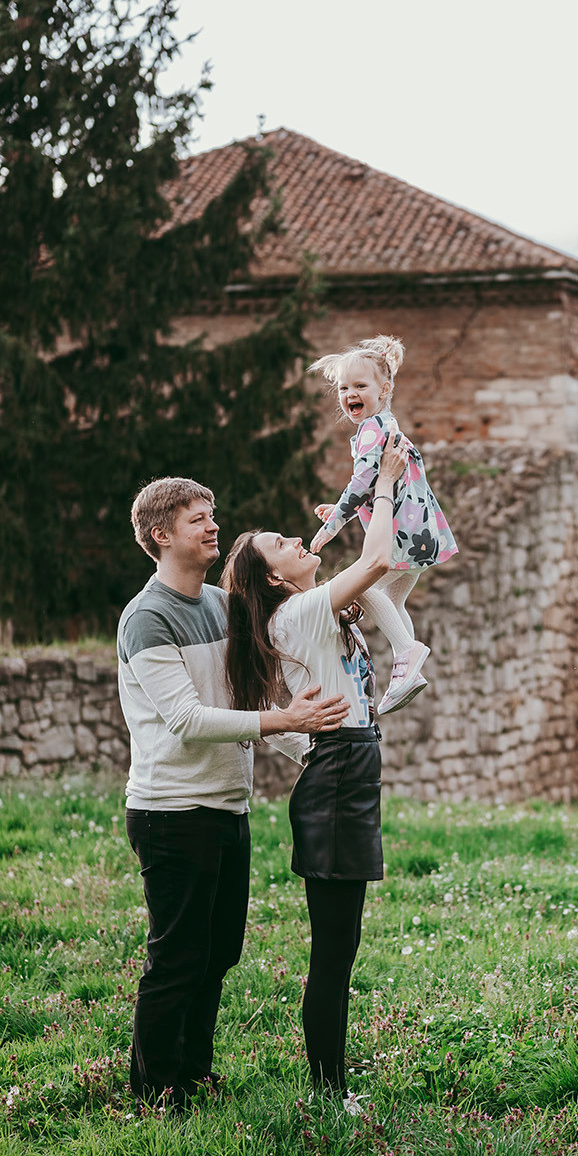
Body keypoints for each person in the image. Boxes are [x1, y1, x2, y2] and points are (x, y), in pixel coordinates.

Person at [117, 476, 351, 1112]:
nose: (213, 526)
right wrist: (287, 722)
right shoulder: (147, 618)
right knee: (177, 957)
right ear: (161, 536)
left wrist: (318, 751)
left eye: (212, 513)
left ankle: (193, 1070)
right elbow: (188, 719)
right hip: (171, 810)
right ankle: (154, 1090)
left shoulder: (221, 607)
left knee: (219, 953)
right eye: (197, 519)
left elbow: (248, 697)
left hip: (225, 806)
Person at [224, 433, 411, 1098]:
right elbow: (381, 556)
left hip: (344, 770)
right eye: (280, 544)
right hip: (336, 783)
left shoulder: (313, 614)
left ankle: (331, 1086)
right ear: (274, 578)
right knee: (333, 955)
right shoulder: (299, 611)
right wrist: (383, 483)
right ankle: (329, 1096)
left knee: (342, 949)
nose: (298, 539)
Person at [306, 335, 456, 714]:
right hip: (420, 530)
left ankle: (407, 651)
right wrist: (341, 505)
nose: (349, 394)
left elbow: (361, 484)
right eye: (343, 388)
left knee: (361, 586)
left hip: (401, 533)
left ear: (384, 389)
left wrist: (334, 524)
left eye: (360, 386)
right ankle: (408, 669)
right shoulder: (385, 424)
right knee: (393, 599)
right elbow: (374, 483)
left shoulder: (372, 429)